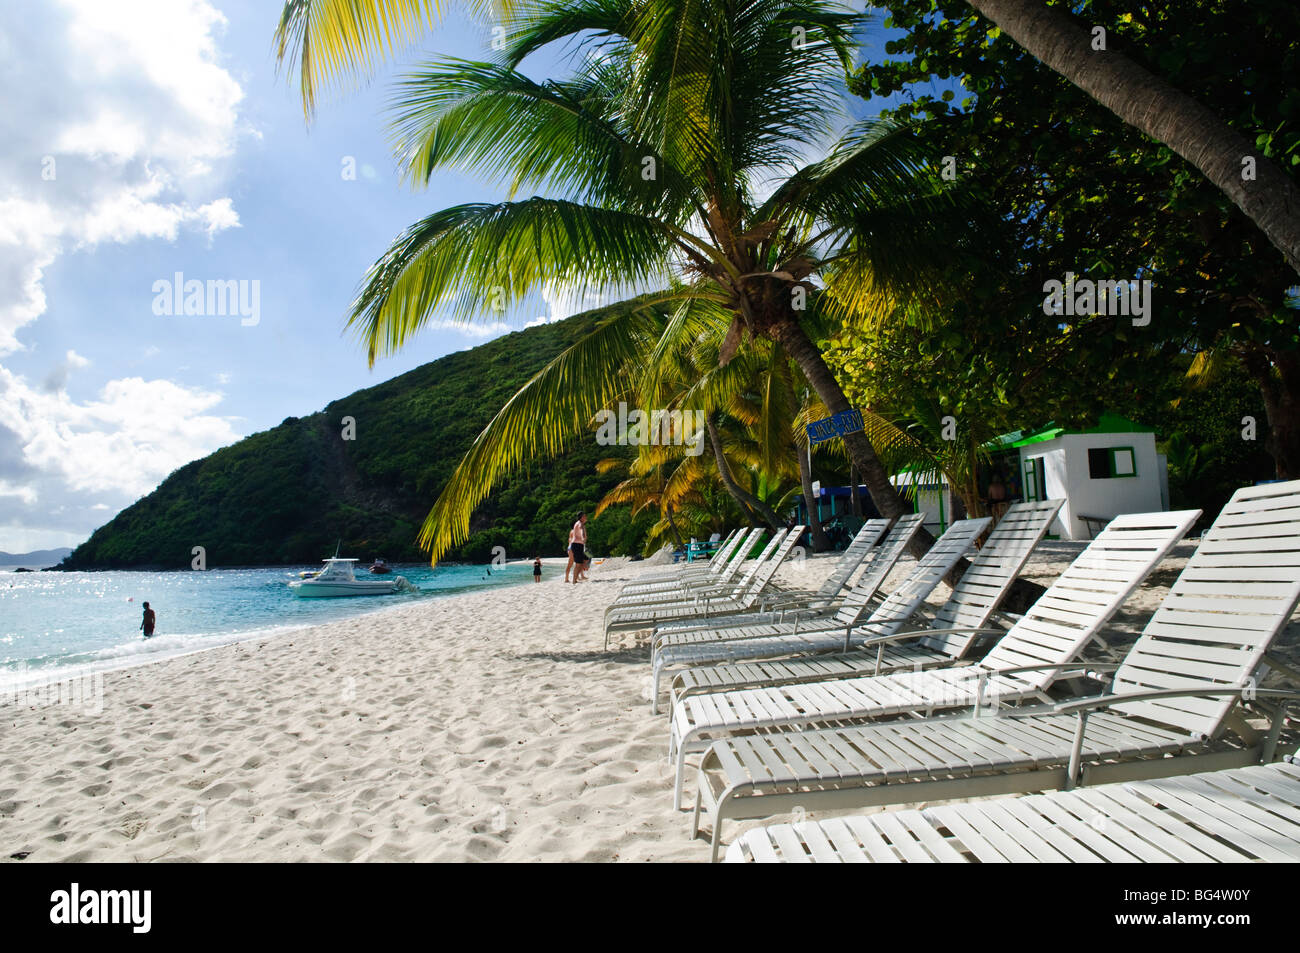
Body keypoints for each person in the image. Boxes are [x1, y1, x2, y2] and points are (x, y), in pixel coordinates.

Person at [569, 512, 588, 584]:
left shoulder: (581, 524)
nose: (586, 517)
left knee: (585, 559)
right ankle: (574, 580)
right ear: (581, 517)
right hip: (576, 545)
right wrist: (583, 537)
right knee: (578, 563)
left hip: (579, 545)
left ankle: (576, 577)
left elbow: (582, 530)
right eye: (585, 516)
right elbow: (580, 530)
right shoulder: (579, 523)